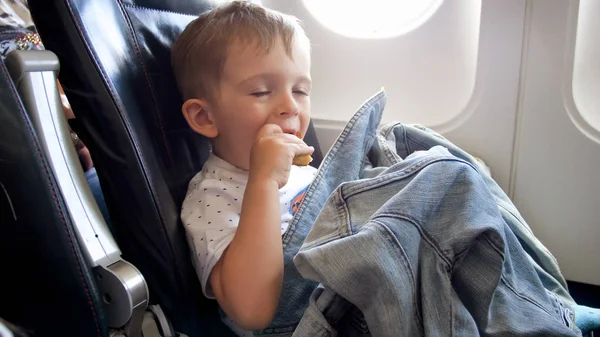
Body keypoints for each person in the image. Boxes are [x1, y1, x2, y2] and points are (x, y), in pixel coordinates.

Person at [173, 1, 316, 333]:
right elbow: (251, 311)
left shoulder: (306, 173)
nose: (290, 106)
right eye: (261, 91)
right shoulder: (211, 197)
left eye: (300, 90)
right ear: (205, 117)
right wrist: (263, 183)